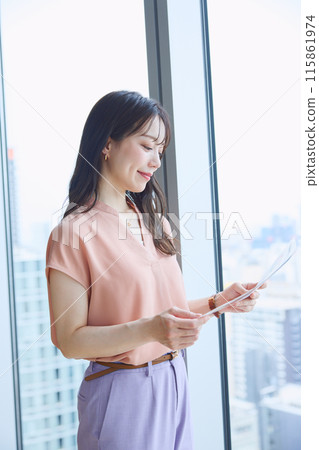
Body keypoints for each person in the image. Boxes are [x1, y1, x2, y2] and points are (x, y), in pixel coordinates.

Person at [45, 90, 267, 450]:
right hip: (122, 390)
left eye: (160, 150)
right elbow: (69, 341)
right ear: (107, 144)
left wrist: (216, 302)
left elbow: (162, 314)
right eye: (147, 145)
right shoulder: (72, 233)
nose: (156, 161)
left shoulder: (155, 224)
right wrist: (150, 329)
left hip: (174, 379)